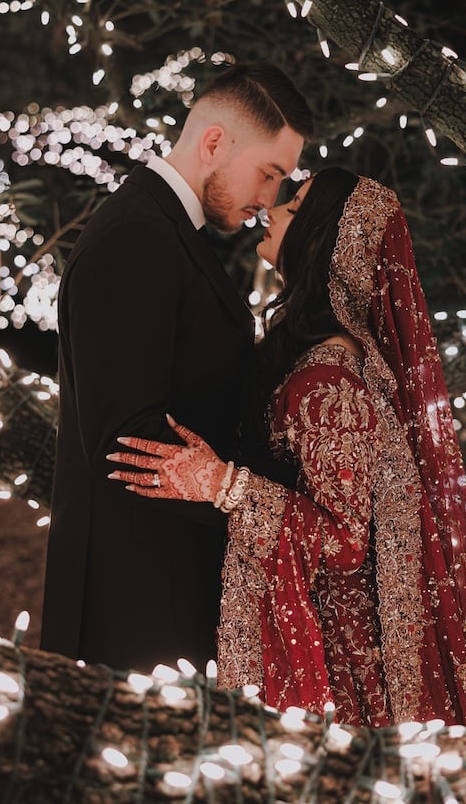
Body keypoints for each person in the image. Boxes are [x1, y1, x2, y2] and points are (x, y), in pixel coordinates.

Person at [107, 167, 466, 728]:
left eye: (292, 207)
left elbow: (344, 542)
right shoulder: (317, 356)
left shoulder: (327, 385)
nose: (270, 209)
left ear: (325, 243)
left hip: (339, 659)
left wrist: (222, 483)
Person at [40, 63, 314, 672]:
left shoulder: (167, 231)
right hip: (133, 604)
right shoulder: (138, 235)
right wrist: (259, 500)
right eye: (269, 174)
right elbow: (125, 435)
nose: (268, 199)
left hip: (162, 584)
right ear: (214, 141)